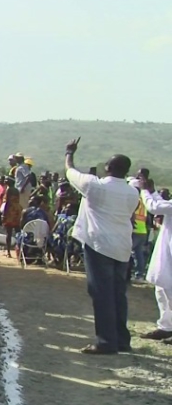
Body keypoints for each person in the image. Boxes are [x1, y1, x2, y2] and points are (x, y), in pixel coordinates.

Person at [64, 138, 140, 354]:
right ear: (126, 171)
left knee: (101, 293)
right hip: (122, 247)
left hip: (99, 246)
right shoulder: (132, 193)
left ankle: (106, 342)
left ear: (107, 168)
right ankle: (122, 340)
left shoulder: (93, 185)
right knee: (118, 293)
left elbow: (70, 171)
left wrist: (69, 152)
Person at [138, 179, 172, 342]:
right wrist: (153, 192)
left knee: (169, 289)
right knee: (161, 288)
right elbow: (164, 205)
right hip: (167, 250)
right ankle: (166, 327)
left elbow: (155, 207)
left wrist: (145, 191)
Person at [130, 179, 150, 281]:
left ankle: (126, 275)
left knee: (128, 253)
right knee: (138, 254)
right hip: (142, 231)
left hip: (134, 230)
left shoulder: (134, 200)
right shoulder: (143, 201)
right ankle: (139, 275)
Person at [2, 178, 22, 258]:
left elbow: (7, 202)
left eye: (6, 180)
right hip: (17, 210)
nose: (5, 181)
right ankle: (19, 250)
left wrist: (4, 214)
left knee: (9, 233)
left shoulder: (9, 190)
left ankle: (8, 251)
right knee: (18, 232)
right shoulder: (16, 190)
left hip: (10, 211)